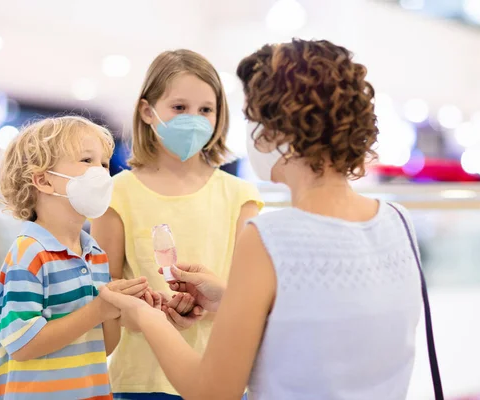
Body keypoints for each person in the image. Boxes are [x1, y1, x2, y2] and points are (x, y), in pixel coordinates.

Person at [97, 39, 424, 400]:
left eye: (253, 117)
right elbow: (316, 326)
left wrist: (147, 317)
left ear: (275, 130)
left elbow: (212, 391)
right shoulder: (400, 223)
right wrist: (227, 298)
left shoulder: (269, 237)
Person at [91, 49, 263, 399]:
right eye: (179, 107)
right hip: (140, 381)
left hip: (224, 378)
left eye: (205, 110)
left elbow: (249, 300)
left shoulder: (241, 197)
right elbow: (104, 300)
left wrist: (214, 300)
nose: (194, 119)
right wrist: (147, 314)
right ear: (147, 111)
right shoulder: (116, 195)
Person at [0, 116, 150, 400]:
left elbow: (103, 346)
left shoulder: (95, 254)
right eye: (87, 160)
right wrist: (98, 310)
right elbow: (22, 344)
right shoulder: (29, 254)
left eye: (103, 163)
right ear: (43, 180)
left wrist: (117, 308)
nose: (100, 172)